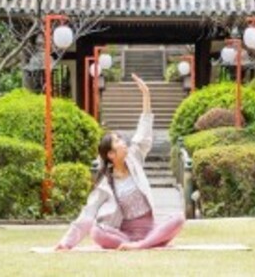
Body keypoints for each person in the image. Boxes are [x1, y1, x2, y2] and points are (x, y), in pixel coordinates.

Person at [55, 73, 185, 251]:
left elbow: (144, 133)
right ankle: (142, 244)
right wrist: (66, 243)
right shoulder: (105, 183)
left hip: (151, 230)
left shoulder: (135, 159)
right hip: (124, 236)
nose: (124, 142)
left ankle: (142, 245)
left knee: (178, 218)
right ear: (110, 154)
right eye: (118, 141)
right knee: (96, 231)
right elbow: (88, 213)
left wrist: (146, 95)